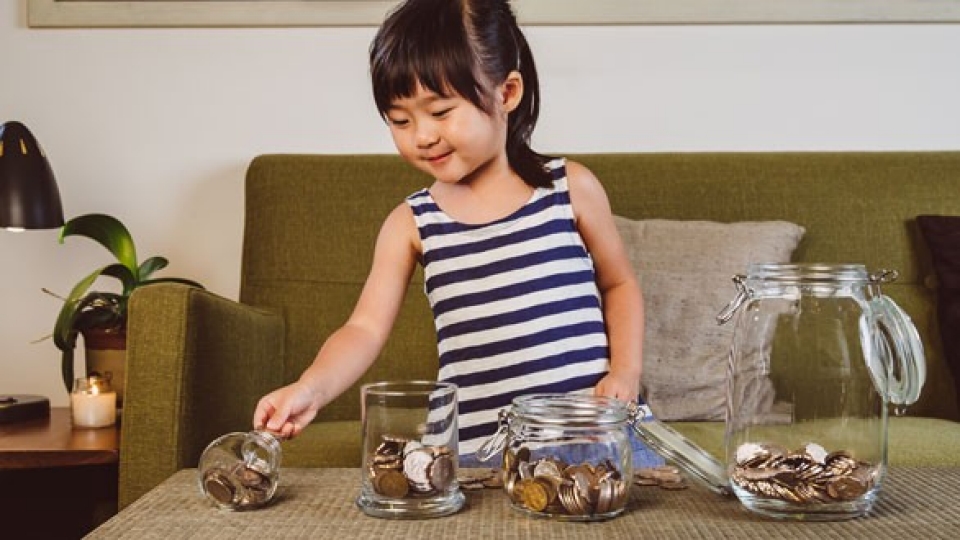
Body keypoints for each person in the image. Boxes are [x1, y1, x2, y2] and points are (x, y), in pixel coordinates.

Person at [253, 0, 663, 468]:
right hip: (476, 452)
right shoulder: (412, 223)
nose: (422, 136)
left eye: (440, 111)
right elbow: (363, 329)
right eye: (400, 120)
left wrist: (626, 370)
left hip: (595, 432)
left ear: (506, 93)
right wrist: (311, 387)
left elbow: (619, 283)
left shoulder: (570, 188)